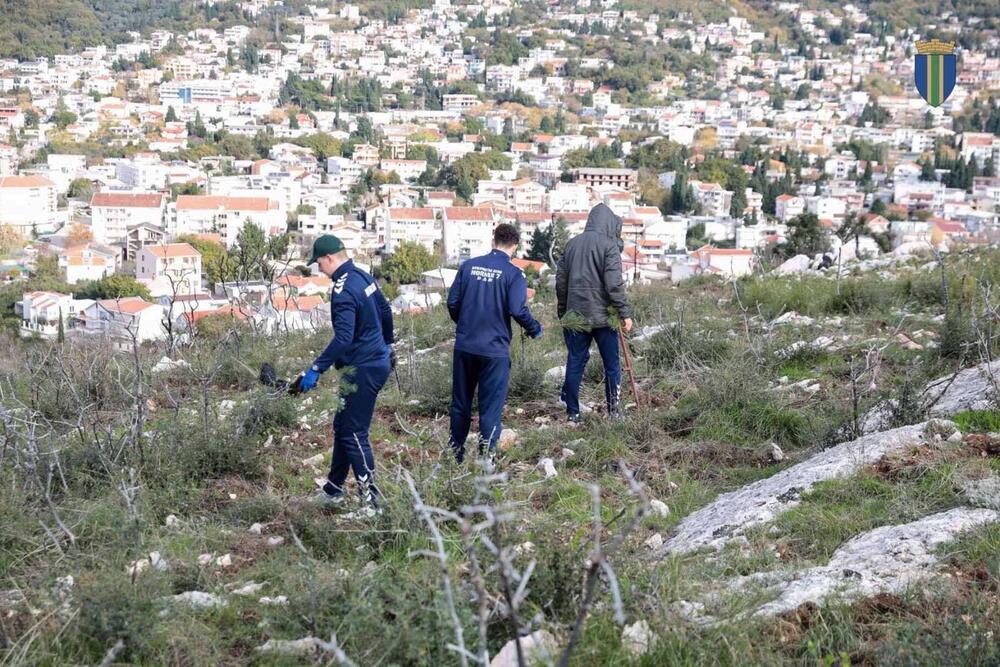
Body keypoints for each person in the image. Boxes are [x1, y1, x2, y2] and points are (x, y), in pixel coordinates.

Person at [299, 234, 394, 510]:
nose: (320, 270)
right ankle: (333, 489)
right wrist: (388, 345)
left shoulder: (342, 290)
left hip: (363, 368)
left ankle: (371, 504)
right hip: (374, 362)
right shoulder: (362, 276)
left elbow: (343, 338)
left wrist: (316, 368)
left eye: (319, 263)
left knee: (354, 433)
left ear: (329, 258)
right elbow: (386, 311)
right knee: (343, 427)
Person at [447, 223, 542, 463]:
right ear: (515, 246)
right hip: (494, 350)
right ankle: (486, 462)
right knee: (490, 408)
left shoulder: (468, 266)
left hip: (465, 346)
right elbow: (517, 309)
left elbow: (453, 302)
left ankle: (455, 456)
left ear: (494, 240)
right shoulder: (514, 274)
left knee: (460, 403)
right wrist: (534, 328)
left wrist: (465, 324)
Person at [556, 203, 633, 422]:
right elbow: (614, 284)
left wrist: (563, 311)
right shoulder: (609, 246)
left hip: (576, 316)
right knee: (612, 365)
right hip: (604, 318)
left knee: (575, 362)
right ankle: (614, 412)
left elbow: (561, 283)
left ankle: (573, 413)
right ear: (609, 223)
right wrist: (624, 313)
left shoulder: (572, 244)